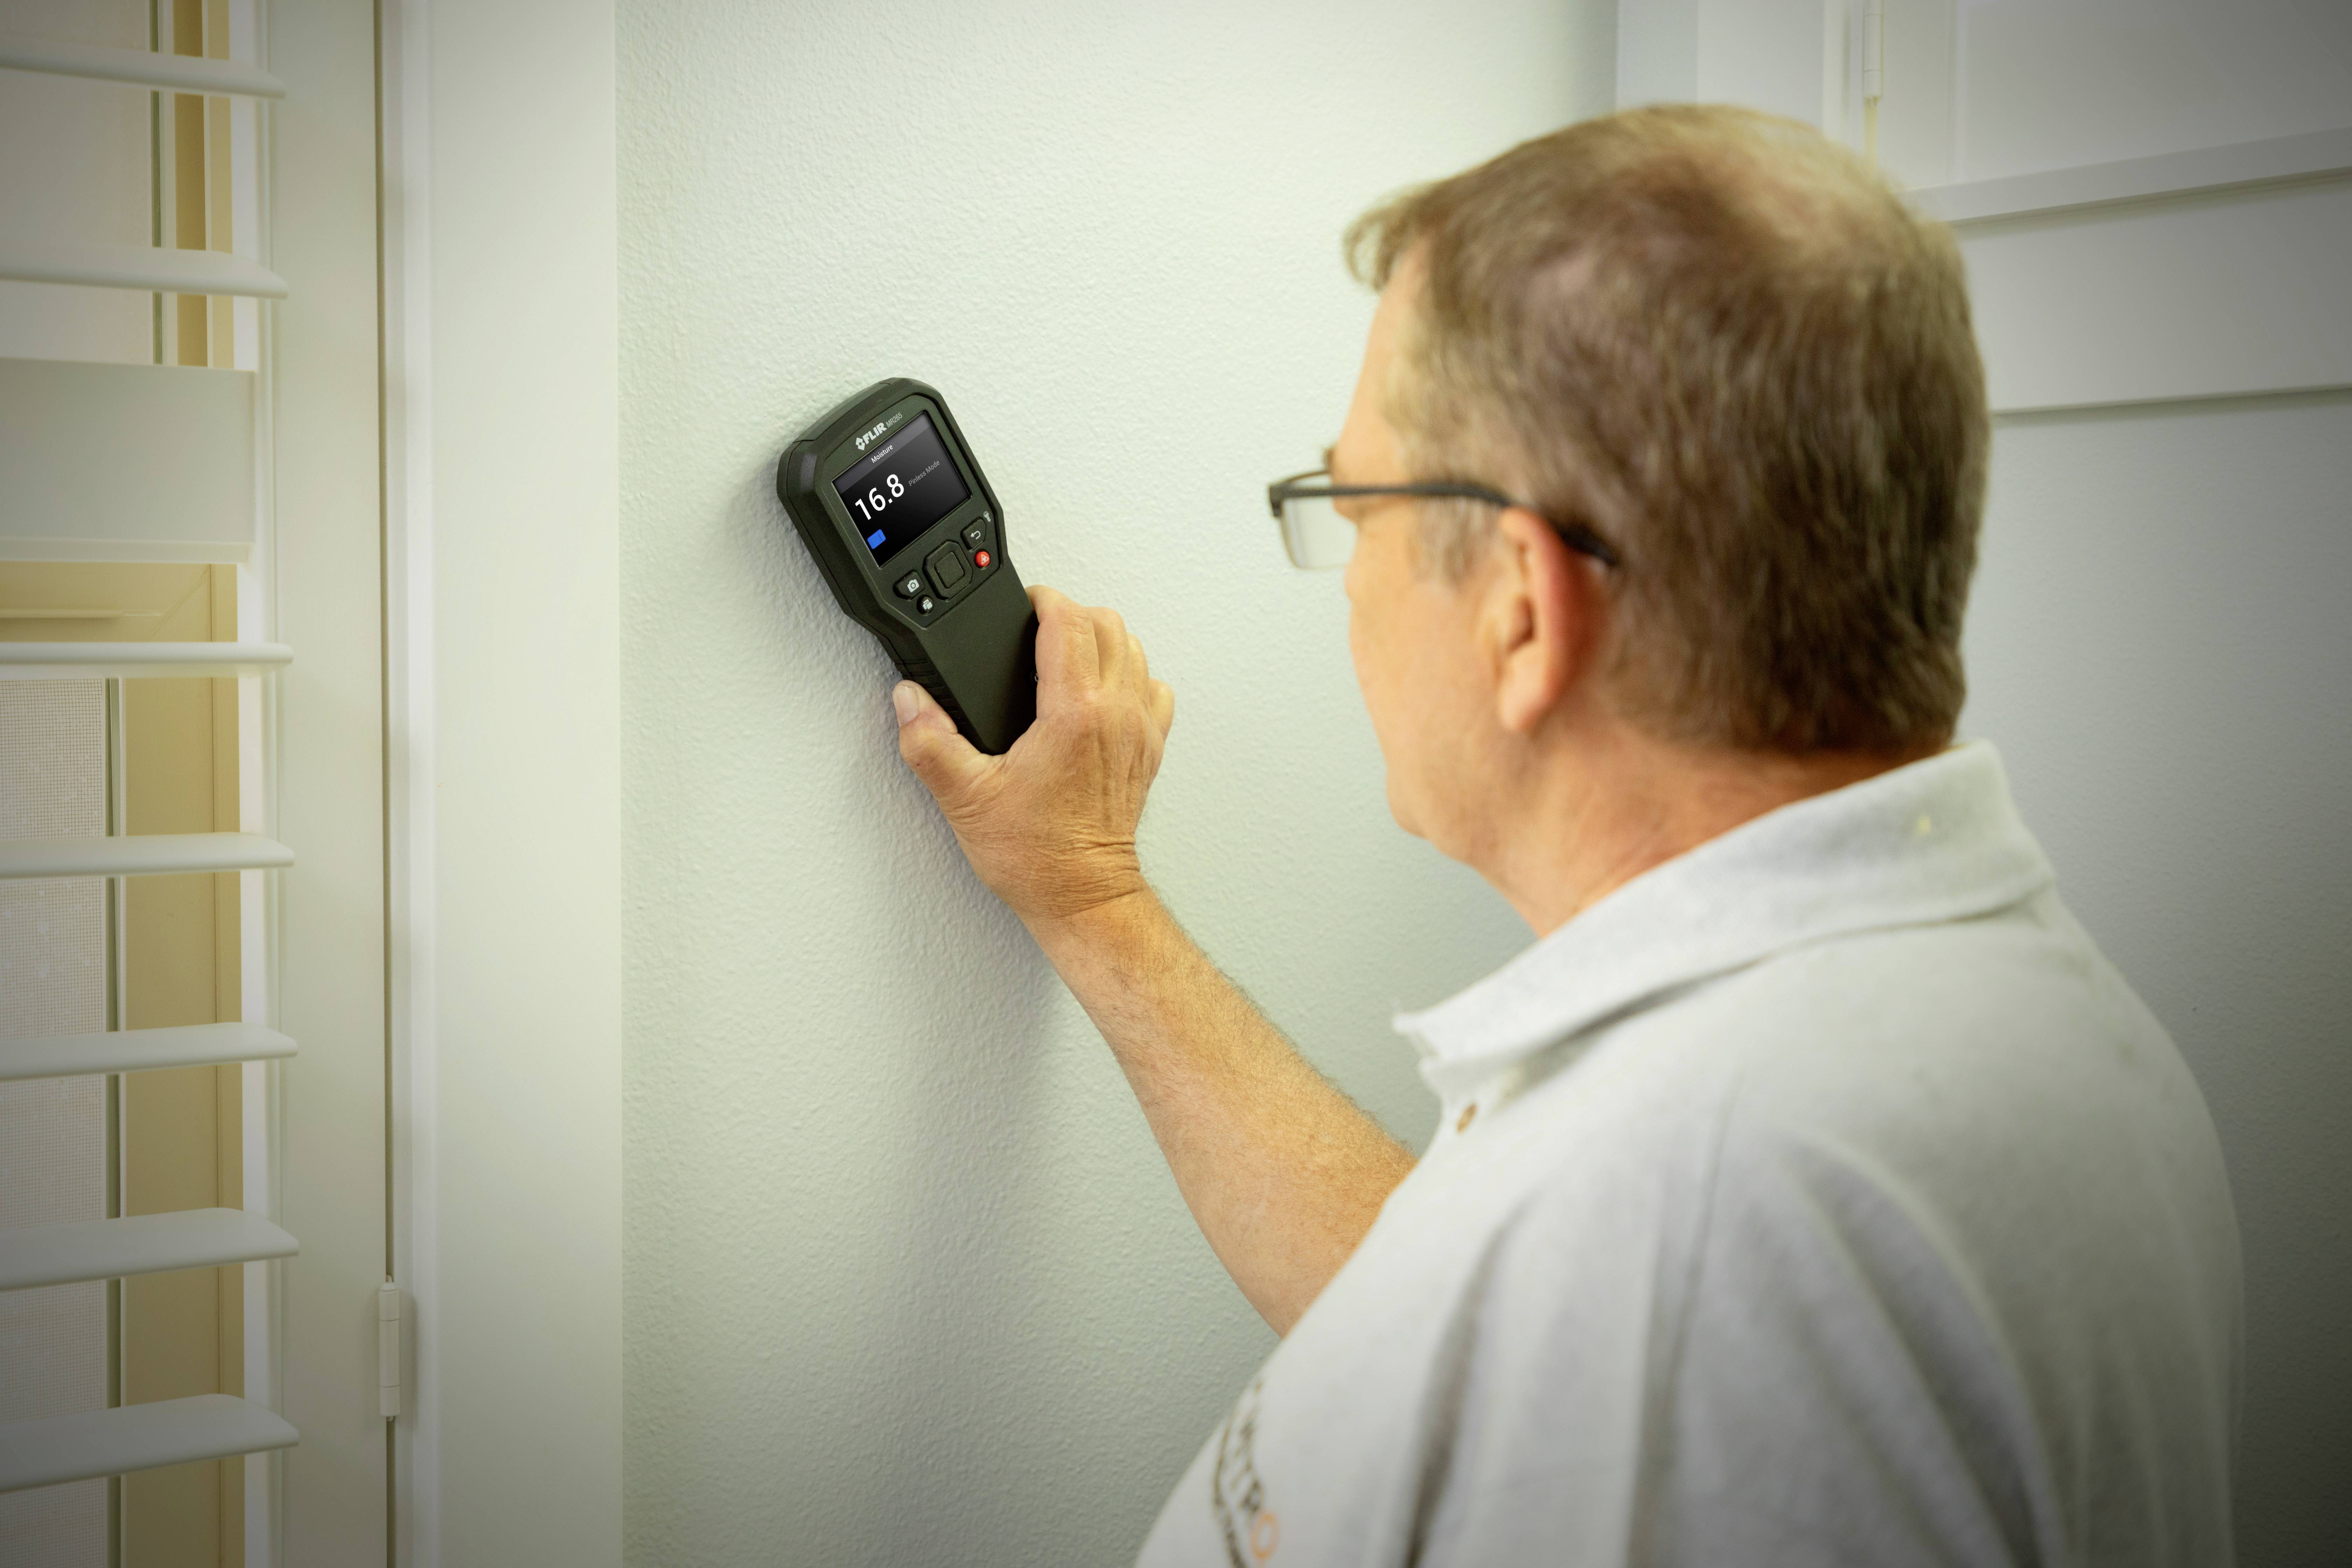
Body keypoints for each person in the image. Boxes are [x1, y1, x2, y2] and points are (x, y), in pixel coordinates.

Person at [888, 105, 2241, 1567]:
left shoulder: (1711, 1232)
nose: (1346, 581)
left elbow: (1622, 1298)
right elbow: (1468, 1316)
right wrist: (1094, 901)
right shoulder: (1965, 1015)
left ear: (1522, 611)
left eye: (1358, 503)